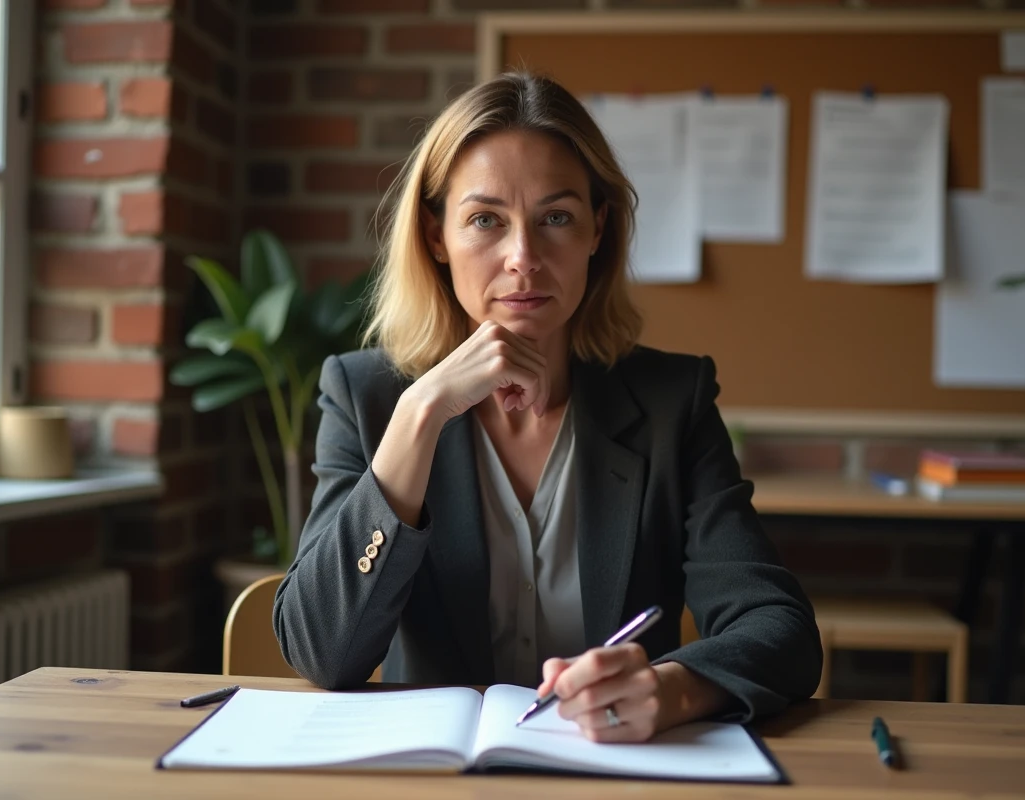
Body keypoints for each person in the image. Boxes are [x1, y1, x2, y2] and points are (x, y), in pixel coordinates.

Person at [273, 71, 822, 743]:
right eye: (485, 220)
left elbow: (779, 627)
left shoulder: (669, 403)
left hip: (615, 769)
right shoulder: (368, 396)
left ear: (599, 228)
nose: (523, 259)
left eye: (556, 217)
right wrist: (421, 416)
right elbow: (320, 649)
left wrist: (671, 688)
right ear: (436, 235)